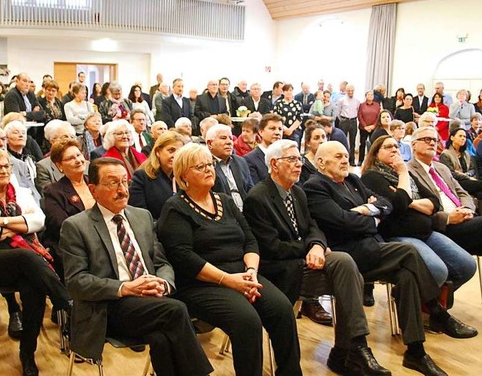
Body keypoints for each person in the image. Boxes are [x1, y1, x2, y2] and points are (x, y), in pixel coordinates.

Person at [305, 140, 476, 376]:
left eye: (346, 155)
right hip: (349, 255)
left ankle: (415, 352)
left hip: (374, 248)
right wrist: (372, 214)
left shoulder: (353, 180)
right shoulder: (315, 187)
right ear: (321, 162)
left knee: (407, 275)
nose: (345, 160)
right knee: (408, 252)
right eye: (338, 156)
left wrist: (366, 211)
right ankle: (436, 311)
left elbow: (386, 206)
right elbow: (343, 223)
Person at [244, 140, 391, 375]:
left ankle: (355, 347)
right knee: (350, 280)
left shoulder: (298, 192)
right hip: (283, 271)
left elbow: (313, 227)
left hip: (308, 263)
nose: (299, 164)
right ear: (274, 164)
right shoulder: (258, 198)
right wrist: (309, 248)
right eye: (291, 160)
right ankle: (346, 353)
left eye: (299, 159)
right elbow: (272, 248)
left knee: (344, 263)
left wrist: (317, 245)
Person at [59, 157, 213, 376]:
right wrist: (127, 288)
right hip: (108, 307)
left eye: (124, 181)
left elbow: (161, 262)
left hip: (150, 302)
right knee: (176, 309)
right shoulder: (76, 226)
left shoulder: (142, 216)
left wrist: (163, 284)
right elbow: (76, 282)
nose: (122, 190)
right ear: (93, 190)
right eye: (113, 183)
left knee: (161, 337)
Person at [158, 144, 301, 376]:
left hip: (243, 275)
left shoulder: (224, 200)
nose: (208, 169)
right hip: (202, 283)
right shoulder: (175, 208)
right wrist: (229, 280)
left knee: (282, 309)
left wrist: (252, 272)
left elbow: (250, 241)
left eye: (209, 164)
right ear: (183, 175)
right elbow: (184, 258)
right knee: (247, 320)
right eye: (200, 166)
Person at [0, 147, 71, 376]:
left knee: (33, 290)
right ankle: (66, 302)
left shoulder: (22, 192)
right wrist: (19, 224)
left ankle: (27, 354)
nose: (4, 170)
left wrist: (2, 223)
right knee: (27, 257)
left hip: (26, 258)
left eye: (7, 166)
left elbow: (38, 221)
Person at [410, 126, 482, 334]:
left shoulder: (440, 168)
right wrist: (449, 217)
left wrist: (467, 209)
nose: (432, 142)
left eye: (434, 139)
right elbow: (414, 210)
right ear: (414, 145)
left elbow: (463, 193)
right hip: (441, 229)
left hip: (464, 222)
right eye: (426, 139)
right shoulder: (408, 171)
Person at [361, 136, 476, 294]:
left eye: (396, 146)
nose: (394, 149)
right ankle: (416, 300)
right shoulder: (372, 177)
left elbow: (434, 203)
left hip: (426, 231)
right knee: (437, 271)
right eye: (388, 147)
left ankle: (427, 301)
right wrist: (402, 173)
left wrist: (411, 202)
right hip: (399, 234)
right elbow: (399, 205)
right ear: (375, 153)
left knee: (467, 265)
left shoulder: (408, 177)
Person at [41, 138, 94, 281]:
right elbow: (61, 224)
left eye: (78, 155)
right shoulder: (53, 191)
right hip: (72, 246)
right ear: (60, 166)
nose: (78, 160)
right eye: (70, 158)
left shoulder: (95, 182)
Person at [128, 131, 185, 219]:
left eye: (179, 152)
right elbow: (140, 216)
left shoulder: (183, 176)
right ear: (158, 151)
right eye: (171, 150)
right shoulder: (142, 177)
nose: (176, 155)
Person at [206, 124, 254, 211]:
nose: (229, 142)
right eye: (223, 138)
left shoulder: (241, 162)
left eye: (231, 138)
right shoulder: (206, 164)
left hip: (247, 212)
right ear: (210, 144)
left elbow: (251, 191)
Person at [34, 120, 78, 195]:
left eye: (72, 137)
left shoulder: (85, 164)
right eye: (65, 137)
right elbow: (48, 195)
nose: (69, 140)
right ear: (53, 141)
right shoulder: (44, 166)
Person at [244, 113, 284, 184]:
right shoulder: (249, 159)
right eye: (272, 128)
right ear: (261, 132)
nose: (277, 132)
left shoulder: (285, 157)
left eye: (280, 129)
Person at [336, 84, 361, 166]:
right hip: (344, 121)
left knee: (352, 142)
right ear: (346, 91)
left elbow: (358, 112)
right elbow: (338, 113)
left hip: (353, 121)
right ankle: (342, 159)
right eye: (349, 91)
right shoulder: (341, 100)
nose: (350, 92)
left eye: (352, 91)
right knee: (342, 141)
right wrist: (343, 120)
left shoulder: (357, 101)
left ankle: (352, 160)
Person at [358, 90, 380, 166]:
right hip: (363, 128)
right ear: (366, 96)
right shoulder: (362, 105)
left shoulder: (377, 105)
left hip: (374, 128)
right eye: (368, 94)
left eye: (372, 95)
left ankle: (372, 162)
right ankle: (360, 160)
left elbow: (378, 117)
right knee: (362, 144)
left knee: (373, 145)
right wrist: (365, 126)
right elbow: (360, 116)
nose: (370, 96)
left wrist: (373, 125)